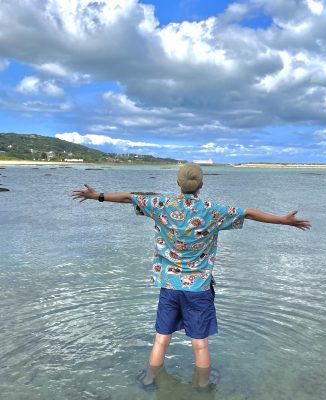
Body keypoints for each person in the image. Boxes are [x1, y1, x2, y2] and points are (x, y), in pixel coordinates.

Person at [72, 162, 311, 389]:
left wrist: (97, 196)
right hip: (198, 288)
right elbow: (248, 213)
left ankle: (149, 379)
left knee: (161, 339)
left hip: (169, 286)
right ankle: (202, 387)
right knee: (200, 345)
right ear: (201, 185)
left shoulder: (161, 205)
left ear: (178, 183)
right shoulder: (212, 211)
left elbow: (129, 197)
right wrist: (283, 221)